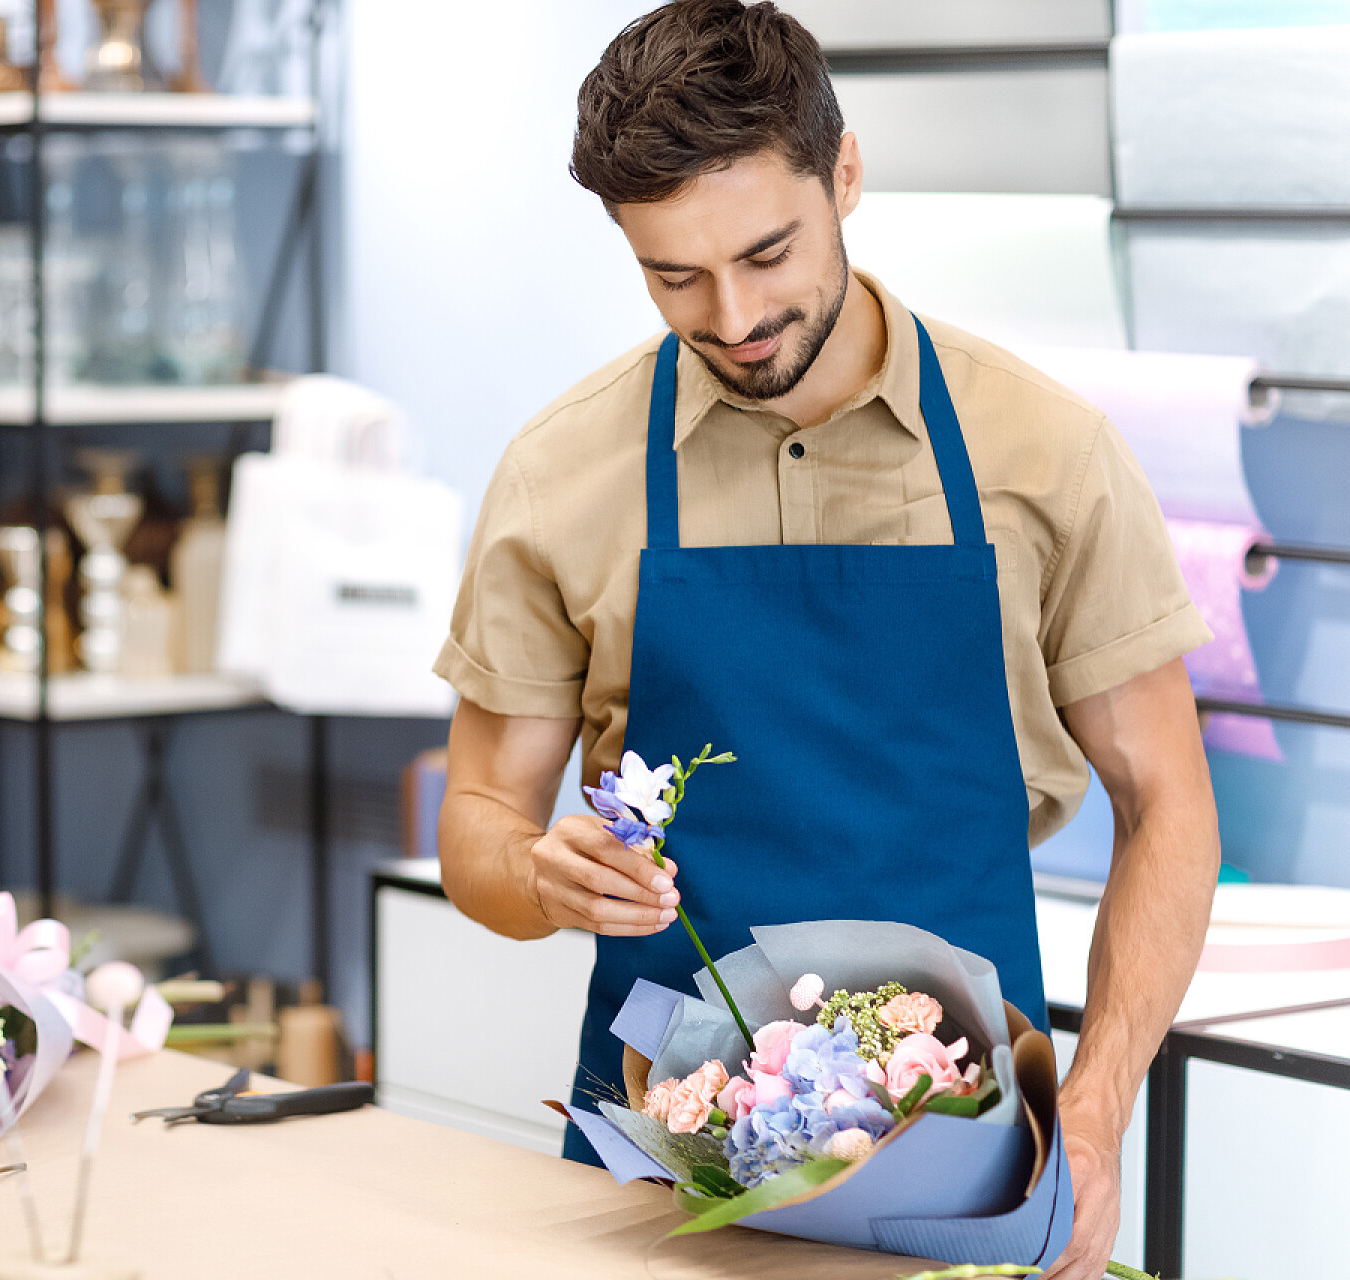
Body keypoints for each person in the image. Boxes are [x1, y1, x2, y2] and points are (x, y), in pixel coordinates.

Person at [432, 4, 1221, 1278]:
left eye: (766, 252)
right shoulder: (559, 475)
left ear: (843, 172)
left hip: (969, 1160)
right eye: (673, 274)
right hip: (664, 1176)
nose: (733, 314)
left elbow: (1169, 799)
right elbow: (477, 816)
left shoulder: (1045, 453)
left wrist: (1100, 1095)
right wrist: (539, 874)